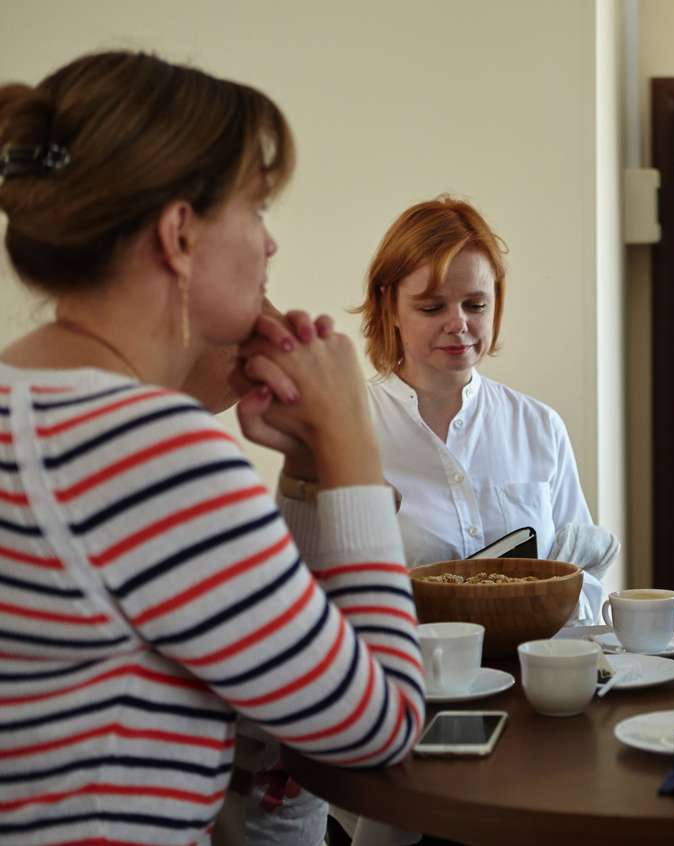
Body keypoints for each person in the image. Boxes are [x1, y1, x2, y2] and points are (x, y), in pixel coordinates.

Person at [0, 51, 424, 845]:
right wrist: (351, 446)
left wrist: (308, 467)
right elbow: (382, 724)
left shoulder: (31, 414)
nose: (270, 245)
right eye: (256, 208)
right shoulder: (151, 455)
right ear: (179, 234)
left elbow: (276, 658)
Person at [354, 197, 614, 623]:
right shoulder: (350, 430)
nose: (458, 323)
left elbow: (582, 580)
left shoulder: (538, 426)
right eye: (432, 306)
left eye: (475, 305)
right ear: (389, 307)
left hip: (532, 661)